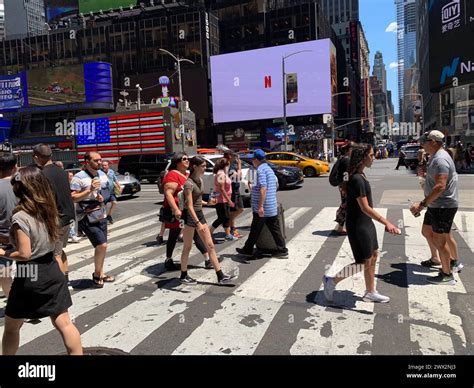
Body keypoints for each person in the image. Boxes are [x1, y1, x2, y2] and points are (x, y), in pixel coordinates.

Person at [0, 166, 82, 355]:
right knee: (64, 323)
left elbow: (24, 254)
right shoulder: (49, 210)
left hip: (29, 272)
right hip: (51, 268)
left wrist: (3, 252)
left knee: (12, 326)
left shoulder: (20, 216)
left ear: (21, 189)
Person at [323, 144, 401, 303]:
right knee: (362, 262)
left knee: (373, 256)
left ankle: (370, 291)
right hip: (358, 225)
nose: (374, 157)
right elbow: (365, 208)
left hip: (366, 223)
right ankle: (331, 281)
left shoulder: (359, 174)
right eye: (371, 155)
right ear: (362, 157)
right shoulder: (357, 179)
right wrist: (386, 222)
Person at [410, 130, 462, 284]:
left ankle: (447, 274)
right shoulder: (435, 157)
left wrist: (422, 204)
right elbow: (436, 182)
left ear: (433, 142)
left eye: (424, 141)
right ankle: (444, 260)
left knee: (440, 240)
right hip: (436, 205)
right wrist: (425, 177)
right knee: (427, 231)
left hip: (443, 206)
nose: (422, 144)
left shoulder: (440, 159)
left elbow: (440, 186)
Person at [179, 156, 233, 285]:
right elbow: (189, 205)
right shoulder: (189, 184)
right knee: (187, 247)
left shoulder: (200, 181)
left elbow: (197, 201)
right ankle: (183, 275)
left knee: (210, 245)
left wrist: (207, 203)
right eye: (203, 166)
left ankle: (220, 276)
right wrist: (198, 223)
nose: (205, 168)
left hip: (199, 214)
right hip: (190, 216)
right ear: (195, 167)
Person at [33, 144, 76, 285]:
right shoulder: (62, 172)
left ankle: (59, 286)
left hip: (55, 220)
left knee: (55, 254)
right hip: (68, 218)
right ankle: (65, 278)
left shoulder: (42, 174)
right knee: (60, 250)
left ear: (36, 157)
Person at [161, 153, 212, 270]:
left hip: (187, 211)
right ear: (177, 162)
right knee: (174, 234)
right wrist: (175, 210)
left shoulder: (188, 174)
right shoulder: (173, 174)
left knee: (194, 235)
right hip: (178, 212)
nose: (187, 161)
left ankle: (207, 259)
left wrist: (205, 203)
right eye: (184, 159)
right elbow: (168, 193)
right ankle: (169, 259)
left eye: (187, 159)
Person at [71, 152, 113, 288]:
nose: (99, 163)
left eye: (100, 160)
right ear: (87, 162)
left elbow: (105, 191)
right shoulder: (79, 177)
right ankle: (96, 274)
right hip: (86, 215)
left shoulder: (102, 174)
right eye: (96, 161)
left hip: (100, 213)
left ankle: (101, 272)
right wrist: (89, 190)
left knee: (103, 245)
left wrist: (101, 196)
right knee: (102, 245)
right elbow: (73, 197)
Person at [236, 149, 288, 259]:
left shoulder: (260, 170)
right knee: (273, 229)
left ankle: (248, 249)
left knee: (255, 229)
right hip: (270, 205)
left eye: (252, 159)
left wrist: (260, 206)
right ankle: (282, 250)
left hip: (263, 207)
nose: (252, 161)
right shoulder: (268, 169)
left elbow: (263, 188)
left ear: (256, 160)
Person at [0, 153, 18, 298]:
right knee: (28, 269)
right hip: (23, 234)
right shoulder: (22, 186)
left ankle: (13, 303)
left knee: (5, 272)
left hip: (2, 237)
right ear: (15, 167)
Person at [209, 158, 238, 241]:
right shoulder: (221, 174)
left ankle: (228, 234)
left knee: (226, 217)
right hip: (222, 200)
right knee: (222, 218)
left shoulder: (222, 174)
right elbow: (221, 189)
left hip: (223, 199)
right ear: (225, 165)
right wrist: (229, 200)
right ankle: (209, 232)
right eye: (228, 165)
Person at [335, 142, 354, 235]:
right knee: (345, 205)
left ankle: (341, 226)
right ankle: (340, 227)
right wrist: (345, 187)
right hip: (344, 186)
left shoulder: (342, 158)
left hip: (342, 186)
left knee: (345, 205)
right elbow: (345, 175)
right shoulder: (346, 160)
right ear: (348, 150)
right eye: (352, 150)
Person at [225, 152, 245, 238]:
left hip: (236, 190)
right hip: (232, 191)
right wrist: (239, 165)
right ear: (230, 156)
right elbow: (239, 176)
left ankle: (230, 225)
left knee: (240, 209)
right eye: (235, 156)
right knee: (235, 210)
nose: (237, 158)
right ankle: (232, 228)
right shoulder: (228, 166)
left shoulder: (232, 165)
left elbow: (239, 177)